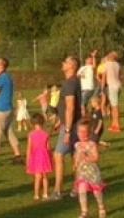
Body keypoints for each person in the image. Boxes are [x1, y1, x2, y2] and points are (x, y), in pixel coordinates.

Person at [51, 54, 82, 200]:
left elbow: (70, 107)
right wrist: (61, 121)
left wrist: (67, 130)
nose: (63, 63)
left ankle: (57, 191)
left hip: (71, 126)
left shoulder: (70, 83)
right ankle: (77, 189)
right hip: (73, 123)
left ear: (72, 66)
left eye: (66, 62)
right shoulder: (74, 81)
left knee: (58, 155)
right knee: (75, 156)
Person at [73, 118, 106, 218]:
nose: (82, 134)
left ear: (89, 132)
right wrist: (75, 163)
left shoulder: (92, 144)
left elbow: (96, 157)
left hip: (92, 172)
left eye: (84, 132)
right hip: (82, 172)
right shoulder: (77, 145)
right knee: (81, 191)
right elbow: (77, 155)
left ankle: (101, 207)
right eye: (80, 132)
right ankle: (84, 212)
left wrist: (86, 157)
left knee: (97, 192)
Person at [25, 112, 53, 200]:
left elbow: (29, 148)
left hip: (36, 156)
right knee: (45, 176)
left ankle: (36, 194)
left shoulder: (31, 134)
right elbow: (48, 148)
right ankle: (45, 193)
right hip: (44, 156)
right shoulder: (45, 134)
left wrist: (28, 159)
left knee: (37, 177)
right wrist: (50, 157)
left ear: (32, 123)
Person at [102, 50, 122, 132]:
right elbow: (120, 76)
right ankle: (113, 124)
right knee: (113, 105)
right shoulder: (117, 64)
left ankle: (117, 125)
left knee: (114, 106)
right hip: (119, 85)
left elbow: (104, 77)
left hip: (112, 86)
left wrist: (102, 87)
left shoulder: (106, 64)